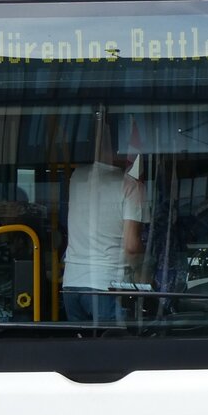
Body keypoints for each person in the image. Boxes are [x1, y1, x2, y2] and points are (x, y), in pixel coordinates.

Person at [61, 116, 149, 322]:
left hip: (71, 285)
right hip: (107, 286)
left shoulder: (77, 177)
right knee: (114, 351)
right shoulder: (130, 186)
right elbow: (132, 247)